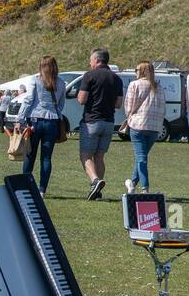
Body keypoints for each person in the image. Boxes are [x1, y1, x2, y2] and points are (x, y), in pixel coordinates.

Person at [16, 56, 66, 196]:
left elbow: (28, 100)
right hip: (52, 122)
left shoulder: (35, 80)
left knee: (30, 154)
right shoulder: (61, 83)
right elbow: (61, 104)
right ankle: (42, 189)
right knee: (46, 158)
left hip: (35, 120)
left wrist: (20, 119)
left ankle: (25, 185)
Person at [77, 48, 122, 200]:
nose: (89, 63)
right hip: (109, 121)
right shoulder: (117, 79)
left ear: (96, 60)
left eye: (90, 60)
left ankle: (95, 181)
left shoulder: (89, 75)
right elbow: (118, 104)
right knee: (100, 157)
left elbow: (82, 99)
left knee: (85, 155)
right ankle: (97, 192)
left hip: (91, 121)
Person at [122, 60, 163, 193]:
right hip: (154, 127)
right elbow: (163, 108)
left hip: (138, 125)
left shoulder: (134, 85)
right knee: (142, 157)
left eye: (136, 70)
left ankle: (145, 187)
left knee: (141, 158)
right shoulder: (159, 87)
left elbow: (128, 107)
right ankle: (132, 183)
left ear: (141, 71)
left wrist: (130, 117)